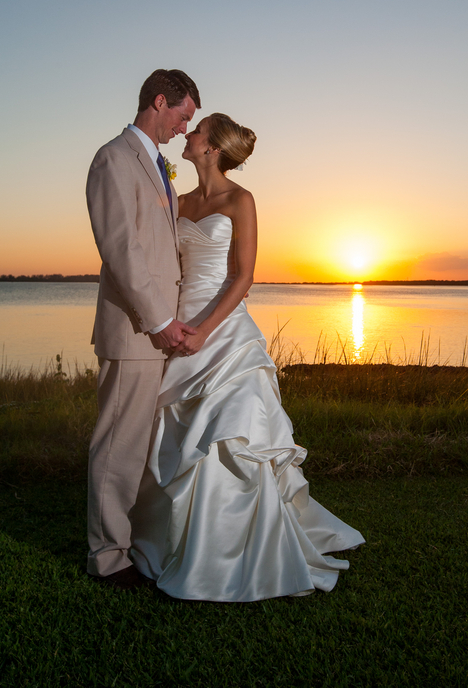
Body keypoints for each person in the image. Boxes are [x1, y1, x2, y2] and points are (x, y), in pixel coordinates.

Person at [130, 113, 365, 601]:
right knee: (178, 435)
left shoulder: (241, 200)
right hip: (177, 327)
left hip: (220, 329)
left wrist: (202, 333)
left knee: (233, 434)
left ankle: (238, 548)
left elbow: (243, 277)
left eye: (196, 132)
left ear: (212, 148)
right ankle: (176, 540)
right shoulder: (179, 200)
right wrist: (169, 325)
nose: (187, 135)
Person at [86, 68, 201, 589]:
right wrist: (158, 320)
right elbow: (121, 249)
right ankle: (108, 558)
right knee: (118, 445)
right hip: (135, 330)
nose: (183, 129)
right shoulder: (114, 159)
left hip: (160, 331)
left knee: (141, 445)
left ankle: (128, 540)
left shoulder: (155, 166)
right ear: (160, 101)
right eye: (182, 116)